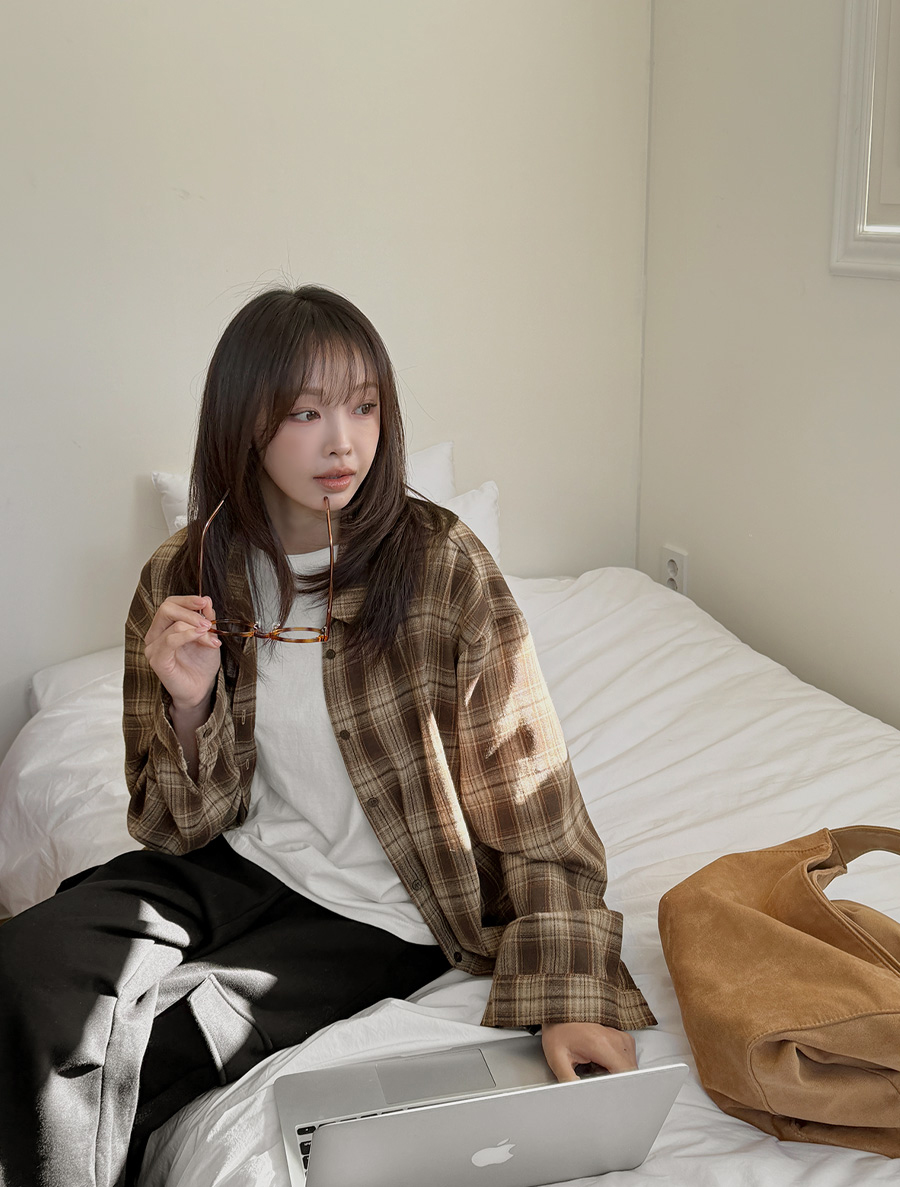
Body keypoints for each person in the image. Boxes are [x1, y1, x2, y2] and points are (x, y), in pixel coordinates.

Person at [0, 285, 656, 1187]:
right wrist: (189, 705)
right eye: (306, 413)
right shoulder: (185, 573)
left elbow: (537, 804)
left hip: (382, 908)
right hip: (230, 861)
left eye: (364, 406)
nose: (343, 442)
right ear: (247, 423)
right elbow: (169, 827)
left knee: (152, 1038)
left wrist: (571, 995)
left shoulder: (441, 566)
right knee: (29, 968)